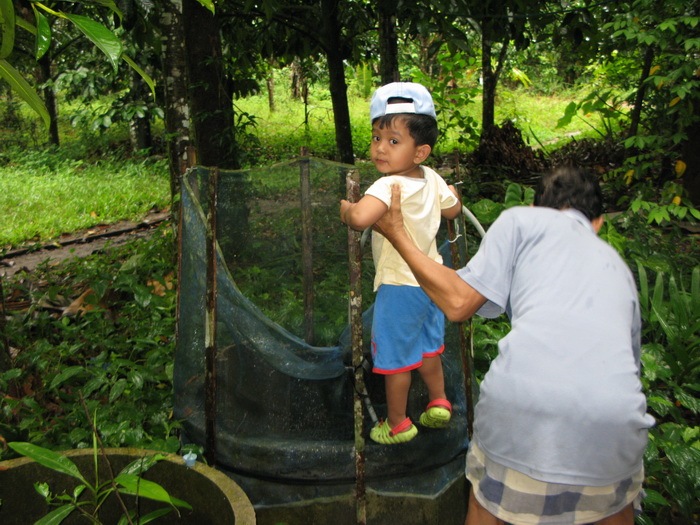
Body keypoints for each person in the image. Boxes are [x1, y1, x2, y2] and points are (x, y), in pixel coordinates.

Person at [372, 166, 655, 524]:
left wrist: (398, 234)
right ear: (598, 223)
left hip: (522, 413)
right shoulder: (619, 269)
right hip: (613, 423)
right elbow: (627, 368)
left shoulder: (521, 223)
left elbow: (458, 302)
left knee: (486, 510)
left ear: (537, 210)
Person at [340, 82, 462, 445]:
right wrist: (444, 199)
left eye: (394, 141)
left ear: (420, 151)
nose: (380, 148)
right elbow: (453, 208)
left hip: (398, 285)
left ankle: (397, 423)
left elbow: (362, 218)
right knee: (427, 347)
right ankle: (439, 401)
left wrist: (346, 210)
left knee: (395, 358)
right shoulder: (432, 178)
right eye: (377, 137)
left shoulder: (386, 186)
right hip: (432, 283)